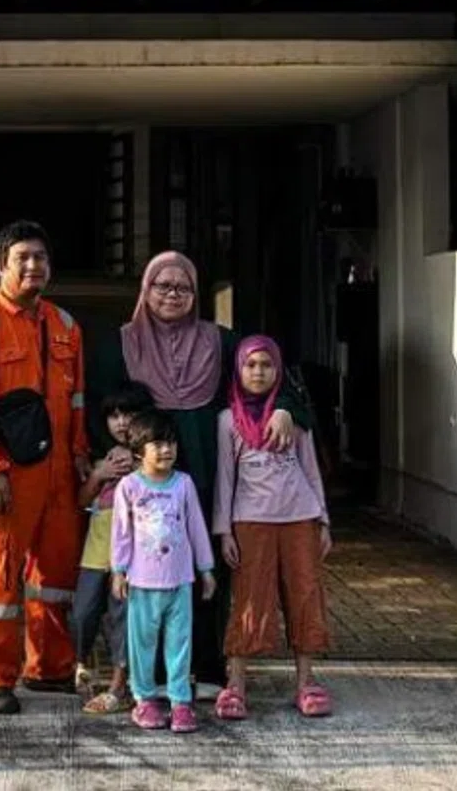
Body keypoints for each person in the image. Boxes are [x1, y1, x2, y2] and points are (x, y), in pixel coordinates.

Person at [116, 250, 313, 691]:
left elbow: (269, 376)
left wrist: (283, 409)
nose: (172, 294)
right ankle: (151, 674)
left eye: (182, 287)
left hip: (209, 470)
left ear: (195, 295)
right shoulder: (123, 342)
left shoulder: (220, 342)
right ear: (145, 290)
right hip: (149, 476)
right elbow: (103, 408)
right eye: (162, 286)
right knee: (150, 565)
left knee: (206, 565)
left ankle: (206, 666)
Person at [0, 219, 91, 716]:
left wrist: (79, 459)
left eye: (41, 258)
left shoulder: (67, 327)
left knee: (55, 576)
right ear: (0, 267)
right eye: (23, 258)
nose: (34, 266)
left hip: (58, 477)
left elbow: (76, 403)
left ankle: (49, 669)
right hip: (8, 477)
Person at [212, 334, 334, 721]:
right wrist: (224, 530)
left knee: (305, 594)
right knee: (250, 599)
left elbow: (311, 470)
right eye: (251, 365)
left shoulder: (294, 416)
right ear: (238, 369)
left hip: (300, 518)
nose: (259, 372)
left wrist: (324, 520)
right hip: (251, 521)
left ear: (278, 370)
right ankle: (236, 685)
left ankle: (306, 682)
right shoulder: (227, 420)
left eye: (267, 365)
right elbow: (224, 481)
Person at [110, 410, 217, 733]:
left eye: (170, 442)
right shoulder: (128, 487)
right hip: (142, 583)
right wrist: (118, 570)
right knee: (142, 645)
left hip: (180, 582)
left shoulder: (183, 484)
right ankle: (144, 699)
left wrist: (206, 569)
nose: (167, 450)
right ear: (140, 449)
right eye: (158, 443)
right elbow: (121, 532)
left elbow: (197, 528)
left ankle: (180, 702)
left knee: (179, 644)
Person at [71, 385, 153, 715]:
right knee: (83, 611)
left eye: (128, 414)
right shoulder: (101, 458)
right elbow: (81, 501)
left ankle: (120, 684)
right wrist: (99, 475)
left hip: (132, 553)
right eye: (114, 416)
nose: (121, 423)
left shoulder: (151, 457)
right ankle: (83, 660)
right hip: (97, 548)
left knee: (123, 616)